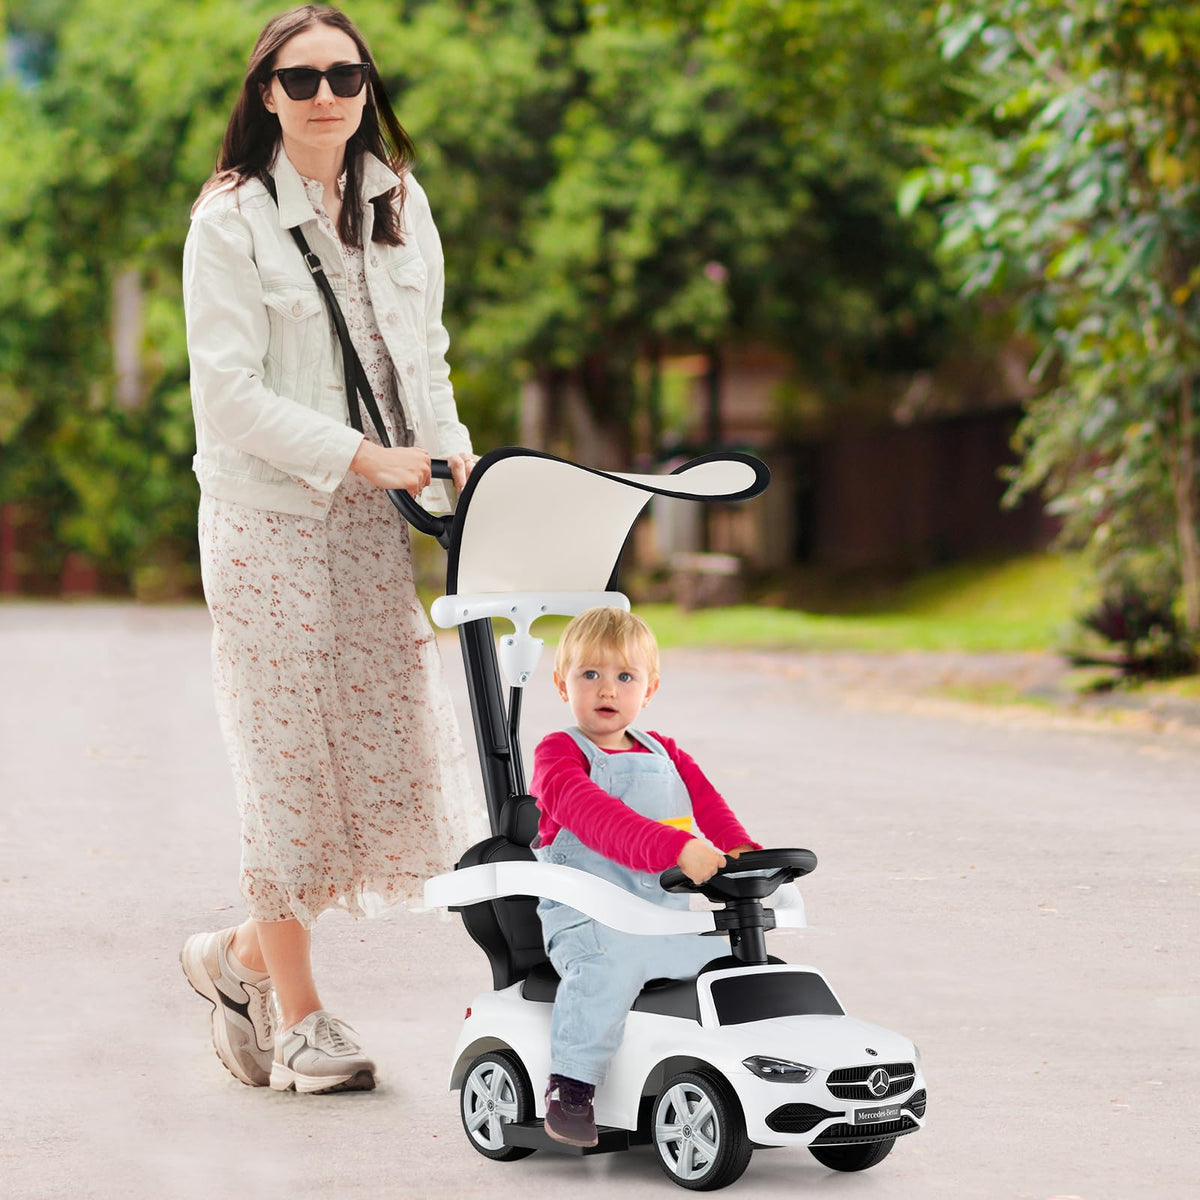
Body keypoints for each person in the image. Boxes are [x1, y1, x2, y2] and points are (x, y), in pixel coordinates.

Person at [178, 4, 488, 1096]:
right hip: (268, 515)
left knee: (373, 756)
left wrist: (448, 459)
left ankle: (235, 960)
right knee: (287, 757)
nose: (324, 97)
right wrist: (363, 455)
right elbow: (228, 395)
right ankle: (302, 1018)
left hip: (374, 518)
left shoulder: (400, 201)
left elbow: (425, 355)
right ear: (267, 93)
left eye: (344, 77)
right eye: (300, 79)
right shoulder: (230, 221)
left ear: (367, 89)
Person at [530, 607, 760, 1146]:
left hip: (662, 919)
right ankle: (572, 1086)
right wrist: (678, 848)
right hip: (589, 922)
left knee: (735, 963)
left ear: (649, 689)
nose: (607, 688)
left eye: (625, 676)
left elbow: (709, 804)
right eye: (590, 674)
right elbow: (598, 819)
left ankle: (748, 1070)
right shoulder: (559, 755)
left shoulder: (665, 752)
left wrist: (740, 850)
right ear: (562, 684)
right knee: (609, 969)